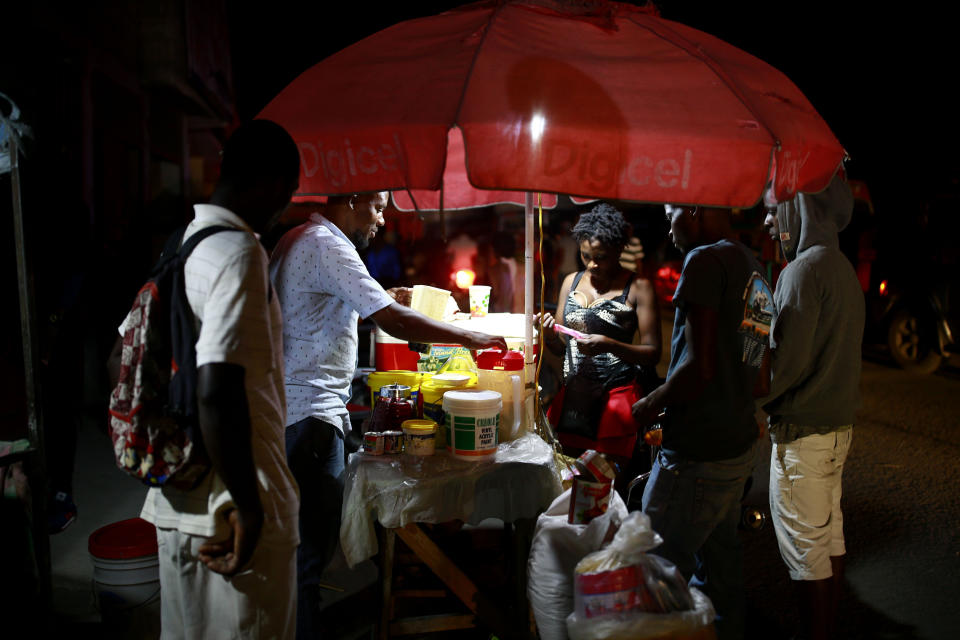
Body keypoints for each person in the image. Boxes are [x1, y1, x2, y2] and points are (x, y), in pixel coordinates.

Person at [268, 190, 507, 639]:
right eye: (377, 207)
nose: (381, 220)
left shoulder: (297, 237)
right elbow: (395, 321)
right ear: (354, 198)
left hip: (287, 412)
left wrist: (375, 303)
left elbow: (311, 313)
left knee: (297, 553)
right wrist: (467, 338)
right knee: (307, 560)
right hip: (310, 418)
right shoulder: (329, 243)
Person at [111, 120, 302, 638]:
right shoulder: (240, 253)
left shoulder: (182, 242)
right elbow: (217, 389)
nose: (283, 209)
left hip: (177, 497)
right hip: (233, 510)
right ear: (266, 182)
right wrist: (250, 505)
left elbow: (120, 356)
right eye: (286, 194)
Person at [631, 204, 774, 640]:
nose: (667, 225)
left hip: (699, 451)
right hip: (737, 444)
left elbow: (698, 366)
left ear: (693, 210)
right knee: (721, 567)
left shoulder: (704, 260)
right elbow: (760, 379)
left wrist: (650, 403)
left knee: (654, 563)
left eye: (670, 211)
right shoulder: (753, 266)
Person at [761, 174, 863, 640]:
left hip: (803, 436)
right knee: (829, 540)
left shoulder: (801, 273)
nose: (768, 221)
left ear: (798, 212)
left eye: (774, 210)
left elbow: (785, 367)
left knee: (806, 557)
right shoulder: (841, 266)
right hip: (837, 431)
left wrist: (750, 389)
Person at [536, 203, 661, 477]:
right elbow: (558, 348)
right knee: (567, 485)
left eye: (601, 257)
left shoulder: (639, 288)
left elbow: (653, 353)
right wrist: (548, 335)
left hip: (615, 404)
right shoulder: (570, 281)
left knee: (604, 487)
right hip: (573, 401)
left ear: (619, 249)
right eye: (586, 255)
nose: (592, 264)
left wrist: (610, 344)